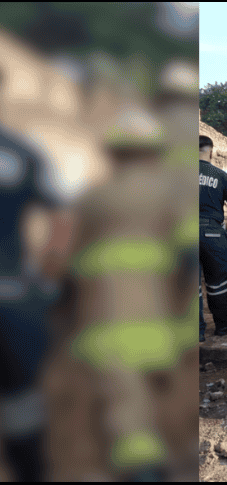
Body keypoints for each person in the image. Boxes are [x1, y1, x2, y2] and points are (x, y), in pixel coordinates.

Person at [67, 107, 190, 480]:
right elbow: (187, 256)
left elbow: (72, 262)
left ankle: (143, 467)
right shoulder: (170, 193)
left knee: (127, 418)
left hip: (107, 322)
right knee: (163, 412)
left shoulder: (94, 197)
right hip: (161, 321)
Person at [0, 122, 73, 482]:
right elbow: (61, 218)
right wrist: (45, 281)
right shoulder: (19, 151)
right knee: (22, 404)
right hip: (12, 295)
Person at [199, 135, 227, 341]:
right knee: (217, 283)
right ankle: (223, 327)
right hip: (212, 233)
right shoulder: (220, 175)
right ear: (211, 152)